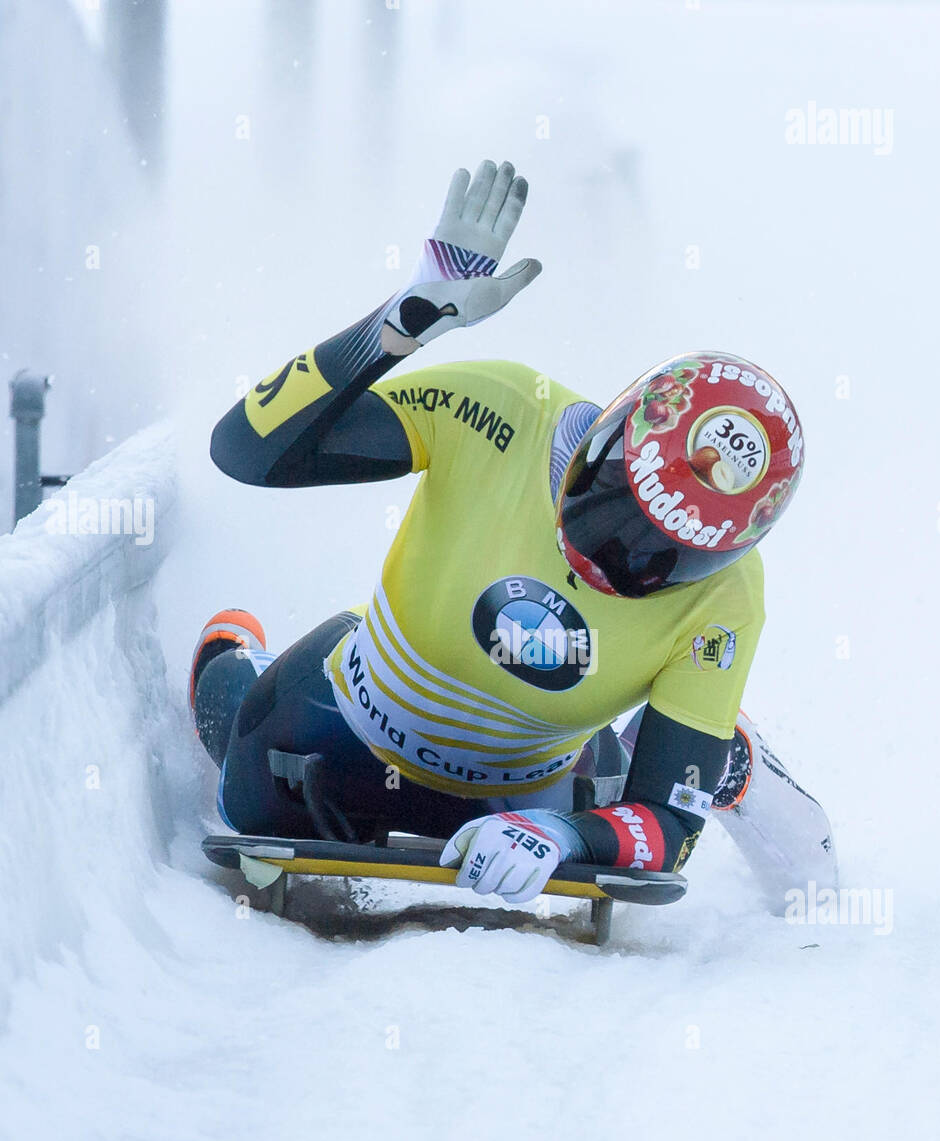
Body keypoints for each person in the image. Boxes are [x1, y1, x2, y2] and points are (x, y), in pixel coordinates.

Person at [193, 159, 836, 910]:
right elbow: (246, 450)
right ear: (604, 441)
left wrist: (570, 838)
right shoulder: (499, 408)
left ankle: (726, 750)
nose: (622, 557)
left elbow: (664, 826)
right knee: (236, 751)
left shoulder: (728, 595)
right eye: (618, 508)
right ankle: (237, 646)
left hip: (536, 790)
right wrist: (400, 324)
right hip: (338, 726)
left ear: (727, 552)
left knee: (676, 777)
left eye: (672, 553)